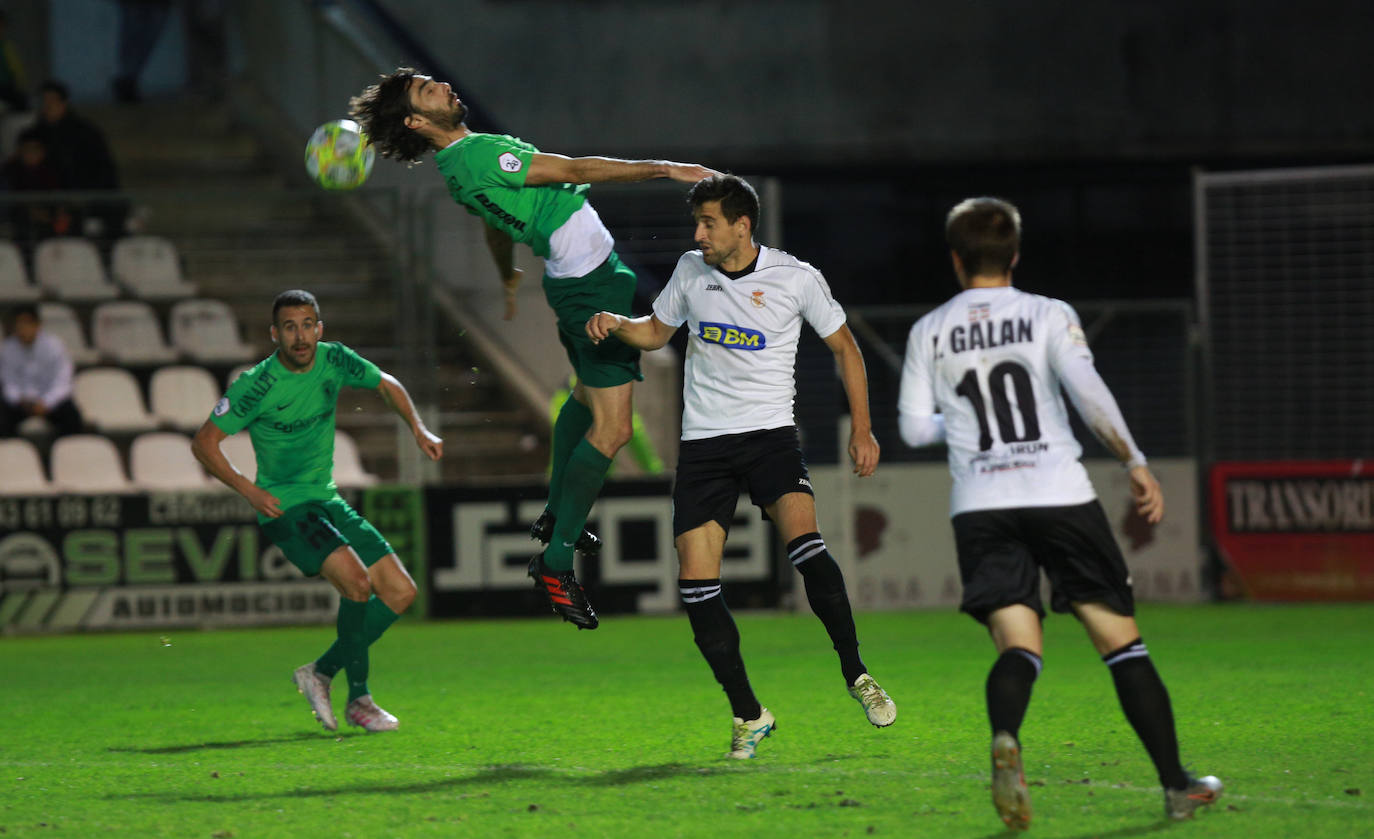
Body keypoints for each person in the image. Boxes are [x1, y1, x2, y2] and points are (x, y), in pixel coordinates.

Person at [349, 68, 716, 630]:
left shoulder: (458, 167)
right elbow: (573, 170)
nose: (445, 87)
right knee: (613, 430)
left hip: (578, 279)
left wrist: (507, 276)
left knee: (584, 400)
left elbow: (497, 224)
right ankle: (556, 560)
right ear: (417, 122)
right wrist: (664, 169)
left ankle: (553, 516)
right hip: (590, 288)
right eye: (429, 92)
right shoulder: (478, 155)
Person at [896, 197, 1222, 828]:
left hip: (981, 506)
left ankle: (1005, 737)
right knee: (1120, 645)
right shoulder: (1048, 314)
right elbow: (1087, 392)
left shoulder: (928, 330)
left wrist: (958, 423)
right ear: (1015, 254)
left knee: (1019, 647)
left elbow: (911, 430)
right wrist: (1134, 461)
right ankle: (1176, 786)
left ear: (956, 259)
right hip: (1059, 495)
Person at [585, 174, 895, 759]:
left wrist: (861, 428)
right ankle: (748, 714)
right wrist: (616, 323)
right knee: (696, 588)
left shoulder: (796, 278)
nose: (698, 233)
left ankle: (856, 673)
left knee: (807, 548)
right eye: (696, 223)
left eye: (708, 223)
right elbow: (656, 333)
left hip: (770, 439)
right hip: (703, 447)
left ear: (742, 225)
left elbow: (846, 348)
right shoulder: (689, 271)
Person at [192, 289, 443, 733]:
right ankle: (360, 700)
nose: (300, 335)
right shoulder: (258, 384)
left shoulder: (335, 359)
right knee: (358, 584)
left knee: (402, 593)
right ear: (275, 335)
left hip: (327, 499)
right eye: (289, 327)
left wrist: (419, 427)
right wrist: (248, 490)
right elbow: (205, 443)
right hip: (285, 507)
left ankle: (321, 673)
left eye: (308, 324)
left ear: (320, 328)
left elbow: (387, 383)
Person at [0, 304, 84, 438]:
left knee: (72, 417)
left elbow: (63, 382)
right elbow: (8, 383)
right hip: (21, 403)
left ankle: (66, 455)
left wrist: (47, 402)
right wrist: (20, 400)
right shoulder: (7, 349)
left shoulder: (55, 346)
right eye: (18, 324)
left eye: (26, 323)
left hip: (50, 401)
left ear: (37, 325)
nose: (22, 329)